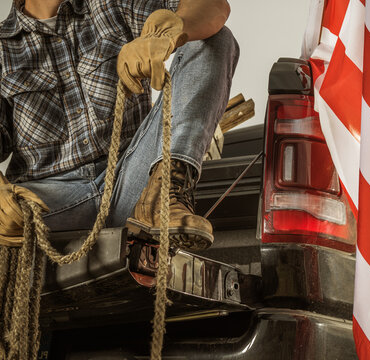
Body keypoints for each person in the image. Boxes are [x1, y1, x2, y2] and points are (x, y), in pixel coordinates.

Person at [0, 0, 238, 251]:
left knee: (216, 39)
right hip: (53, 202)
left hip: (134, 180)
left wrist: (168, 32)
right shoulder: (3, 49)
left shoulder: (109, 5)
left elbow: (213, 6)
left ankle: (164, 196)